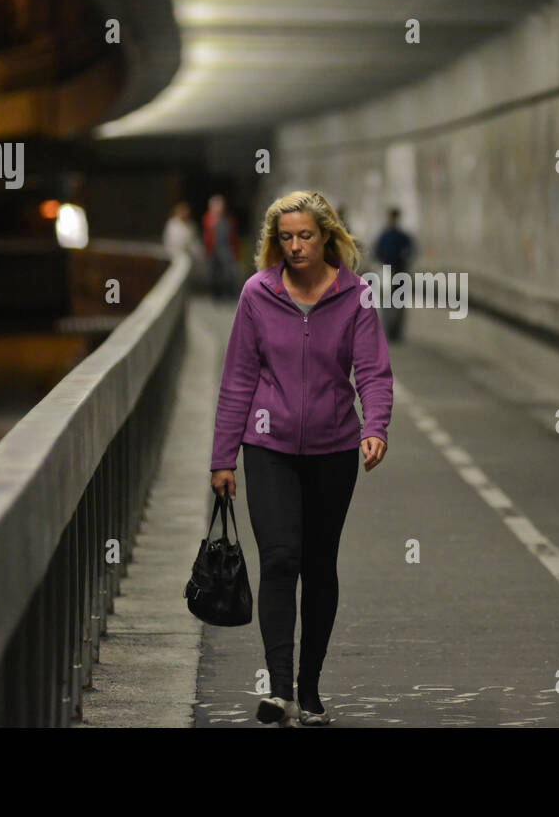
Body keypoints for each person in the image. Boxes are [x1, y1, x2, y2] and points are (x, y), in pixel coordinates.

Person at [209, 189, 392, 727]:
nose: (295, 246)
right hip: (267, 447)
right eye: (285, 238)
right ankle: (279, 689)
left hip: (335, 447)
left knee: (319, 565)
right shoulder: (256, 295)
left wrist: (374, 427)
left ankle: (310, 688)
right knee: (281, 558)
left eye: (305, 236)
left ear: (326, 237)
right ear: (274, 242)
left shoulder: (354, 297)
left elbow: (374, 371)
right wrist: (223, 457)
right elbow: (238, 377)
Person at [371, 207, 416, 342]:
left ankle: (396, 331)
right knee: (389, 301)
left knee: (398, 301)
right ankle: (390, 330)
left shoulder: (400, 236)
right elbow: (376, 252)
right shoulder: (386, 236)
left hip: (399, 270)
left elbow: (411, 251)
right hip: (388, 270)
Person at [201, 194, 239, 300]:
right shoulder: (208, 218)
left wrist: (235, 250)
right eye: (216, 205)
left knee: (228, 272)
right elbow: (206, 235)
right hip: (213, 249)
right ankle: (215, 294)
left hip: (226, 248)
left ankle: (228, 293)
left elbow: (233, 236)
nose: (218, 208)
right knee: (213, 273)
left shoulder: (228, 219)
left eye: (220, 205)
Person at [162, 201, 204, 290]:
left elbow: (194, 241)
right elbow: (169, 240)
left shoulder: (191, 225)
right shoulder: (172, 224)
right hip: (174, 255)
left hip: (189, 256)